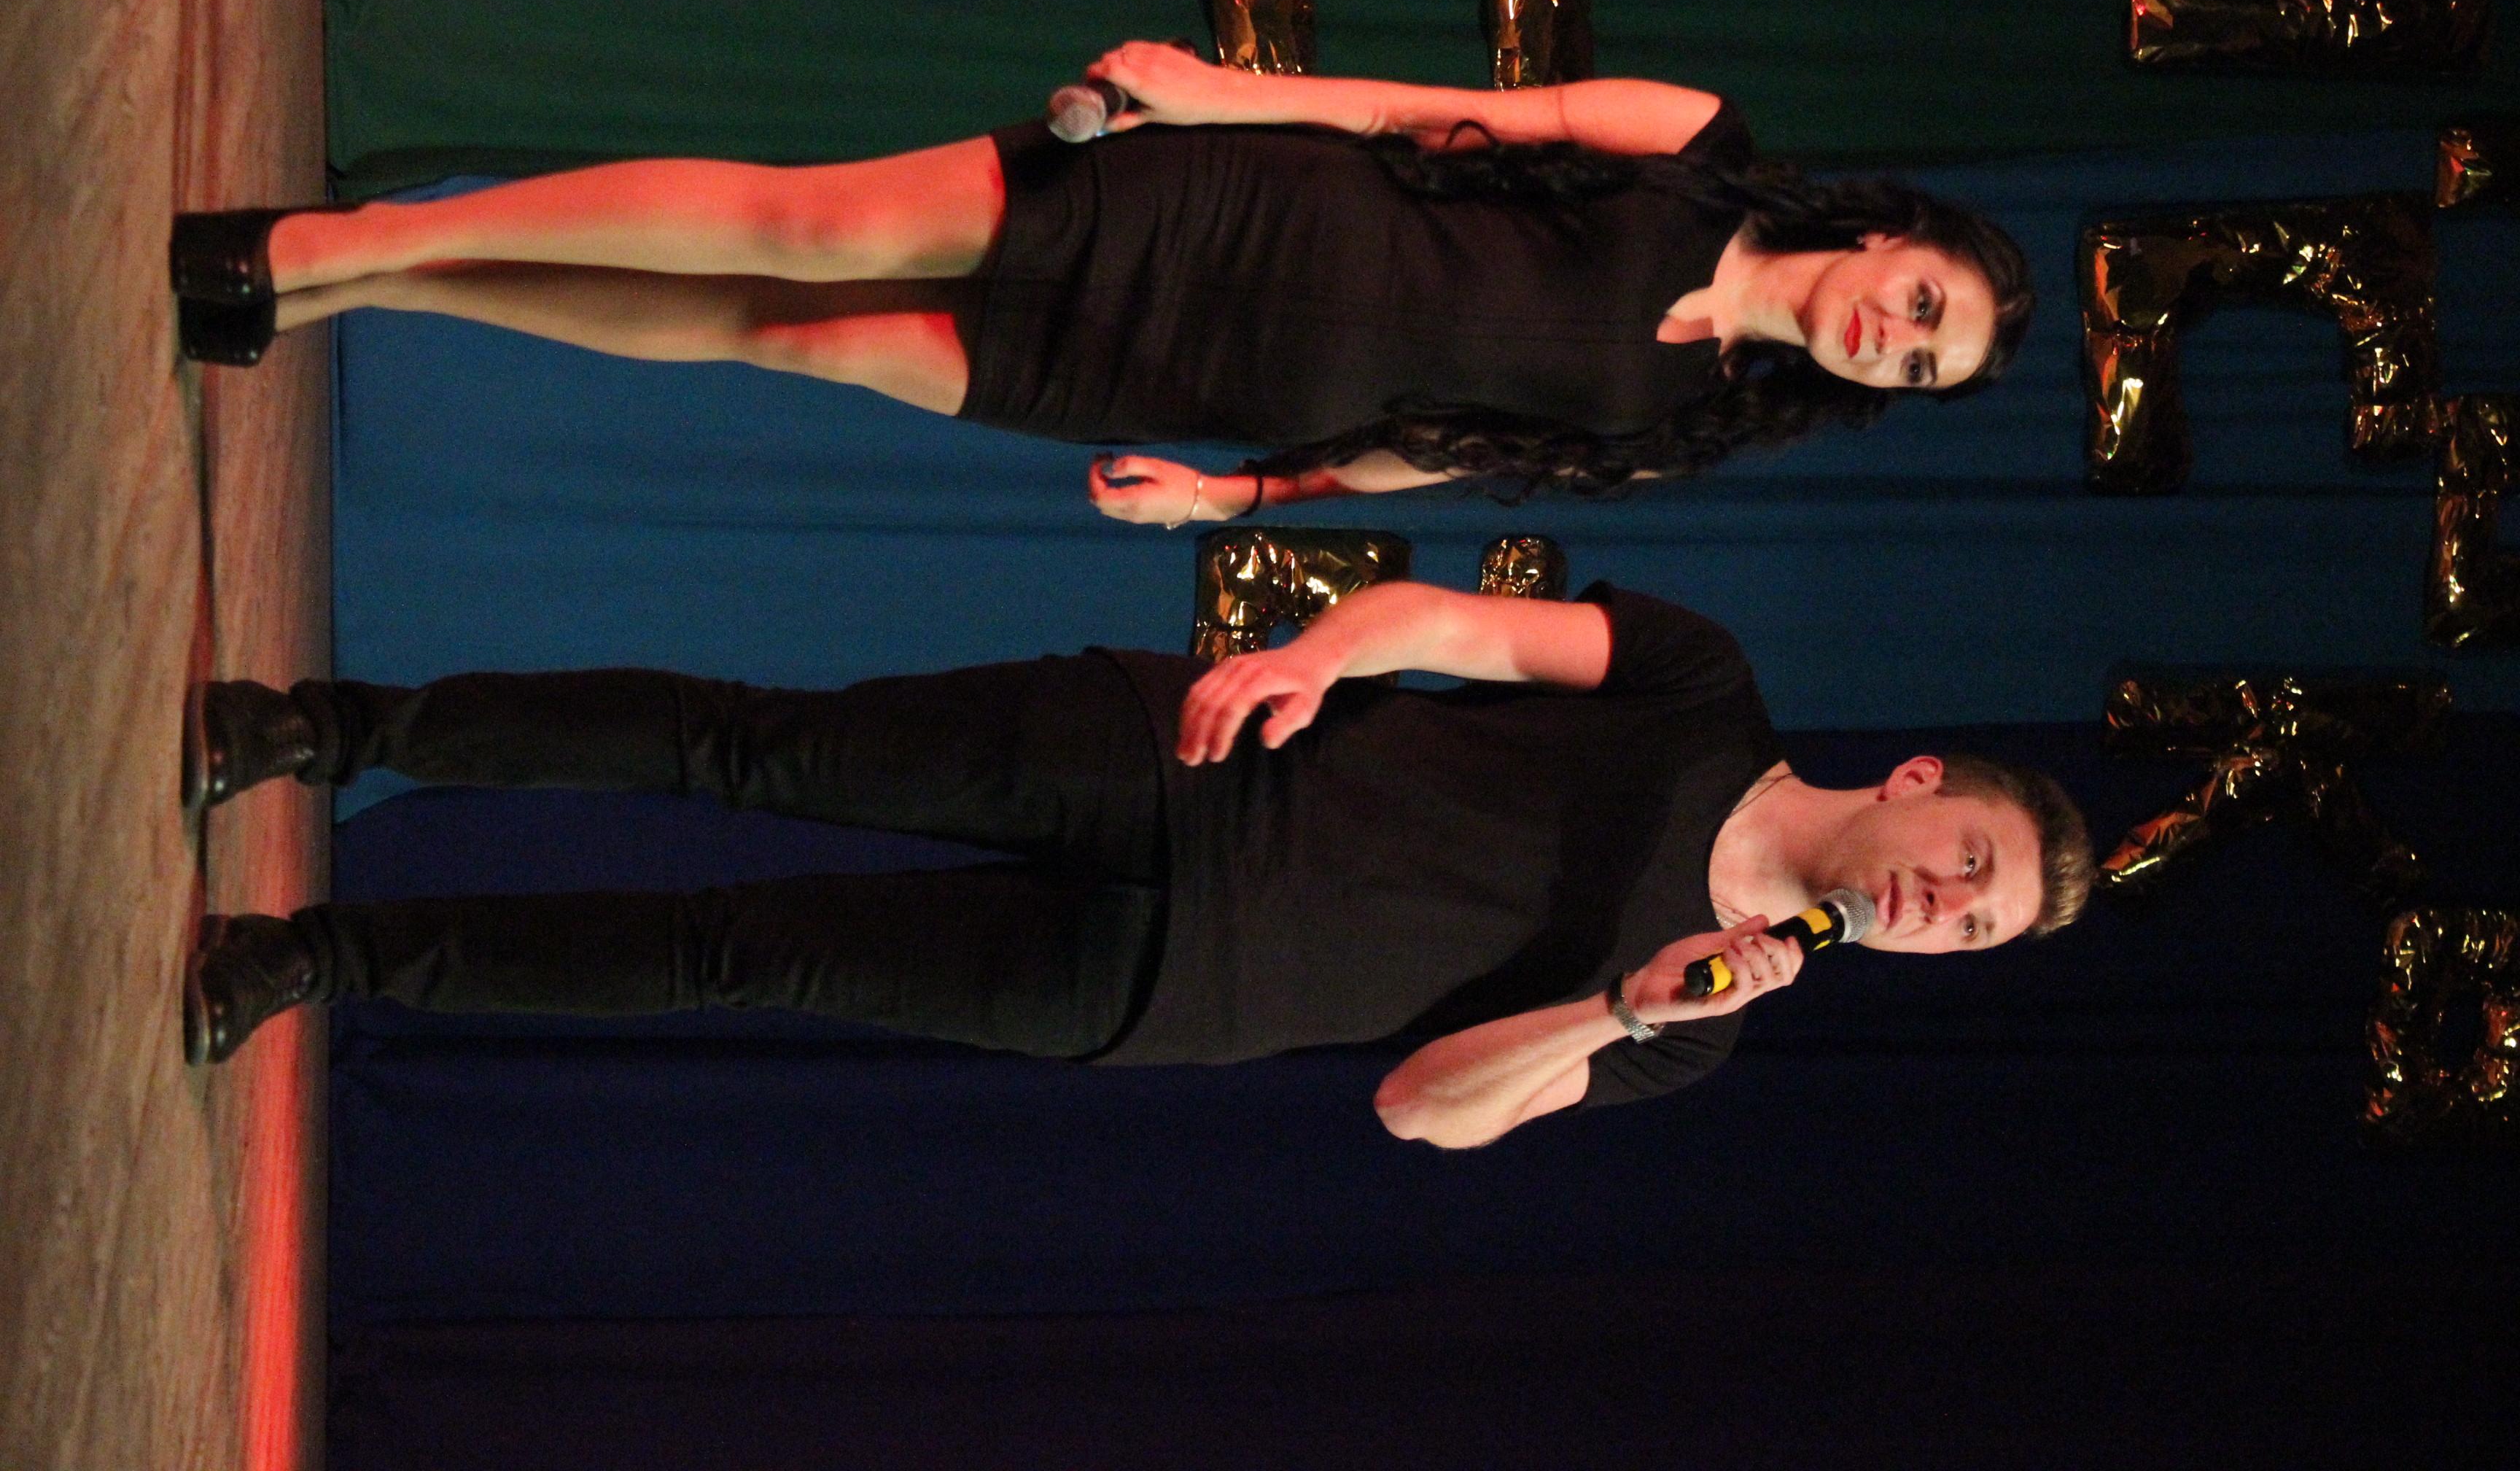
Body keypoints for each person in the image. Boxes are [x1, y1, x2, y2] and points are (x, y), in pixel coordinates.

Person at [183, 579, 2092, 1144]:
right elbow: (1462, 628)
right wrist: (1312, 656)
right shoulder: (1705, 691)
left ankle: (318, 958)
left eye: (1975, 930)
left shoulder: (1701, 1029)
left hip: (1164, 989)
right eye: (1970, 861)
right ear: (1922, 782)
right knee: (749, 745)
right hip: (1178, 760)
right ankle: (333, 728)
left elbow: (1422, 1112)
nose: (1945, 906)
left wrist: (1618, 1009)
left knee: (733, 951)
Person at [168, 42, 2035, 525]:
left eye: (1919, 370)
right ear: (1899, 240)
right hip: (1231, 217)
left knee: (782, 335)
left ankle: (372, 296)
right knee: (805, 228)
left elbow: (1449, 451)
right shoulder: (1702, 144)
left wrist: (1243, 496)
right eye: (1926, 309)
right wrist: (1217, 95)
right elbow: (1447, 116)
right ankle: (322, 248)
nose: (1895, 340)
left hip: (1206, 382)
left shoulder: (1695, 421)